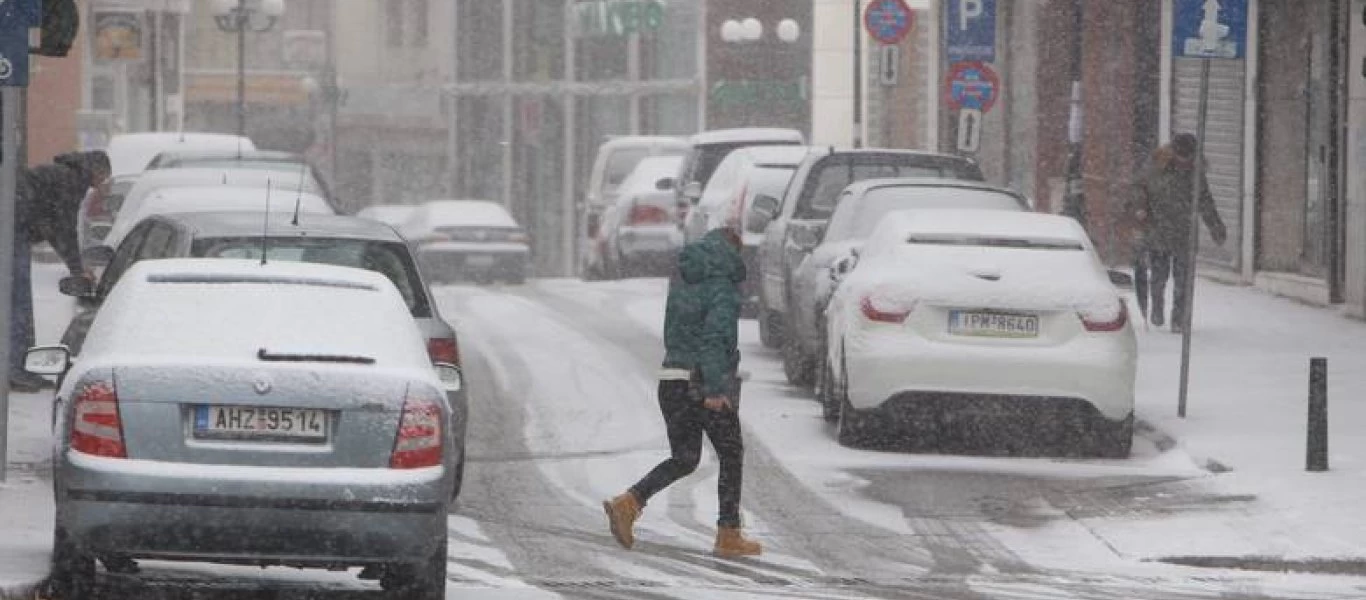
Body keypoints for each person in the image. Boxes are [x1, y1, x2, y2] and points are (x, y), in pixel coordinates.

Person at [602, 225, 761, 558]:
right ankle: (728, 533)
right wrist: (715, 389)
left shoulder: (685, 276)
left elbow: (683, 330)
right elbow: (715, 338)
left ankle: (628, 502)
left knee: (685, 457)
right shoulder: (721, 285)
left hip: (672, 379)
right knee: (731, 452)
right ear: (733, 252)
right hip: (701, 381)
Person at [10, 151, 108, 392]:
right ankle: (16, 369)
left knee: (17, 301)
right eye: (105, 178)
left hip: (14, 221)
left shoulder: (66, 176)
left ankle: (20, 367)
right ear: (97, 171)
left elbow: (55, 227)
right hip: (13, 225)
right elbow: (63, 228)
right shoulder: (72, 182)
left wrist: (76, 266)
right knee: (17, 301)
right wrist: (77, 269)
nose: (104, 185)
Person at [1130, 134, 1226, 333]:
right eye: (1181, 156)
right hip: (1158, 232)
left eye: (1188, 157)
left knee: (1183, 281)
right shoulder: (1156, 166)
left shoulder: (1195, 173)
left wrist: (1216, 227)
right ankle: (1157, 309)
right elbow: (1138, 186)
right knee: (1159, 277)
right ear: (1173, 152)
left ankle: (1179, 319)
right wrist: (1140, 206)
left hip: (1185, 234)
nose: (1184, 161)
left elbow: (1205, 201)